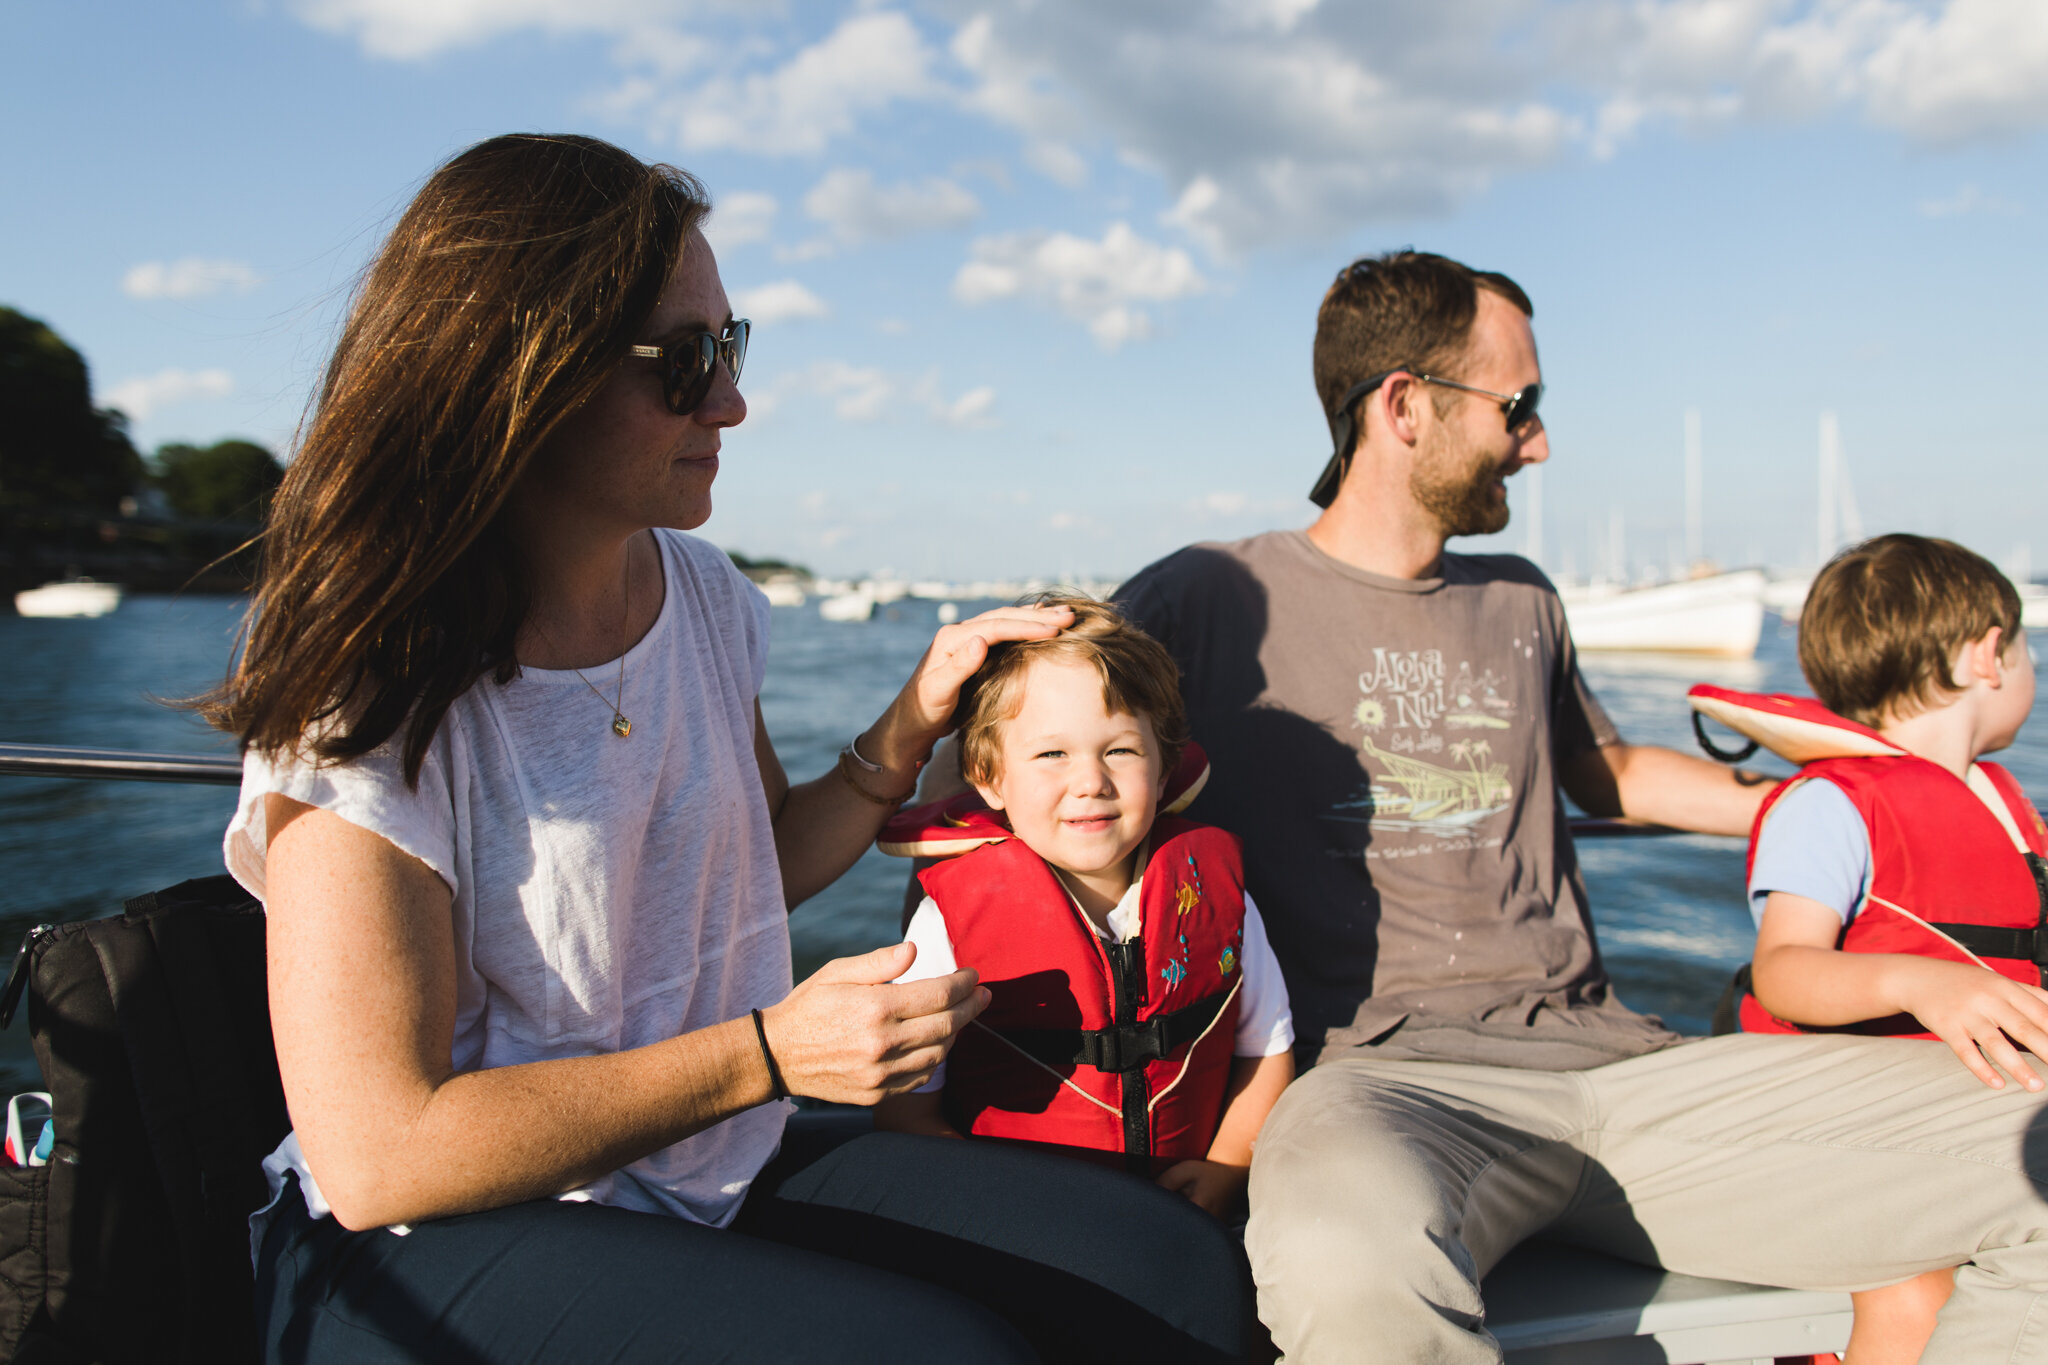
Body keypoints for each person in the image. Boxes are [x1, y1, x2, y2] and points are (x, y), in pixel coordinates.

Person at [208, 133, 1257, 1364]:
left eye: (732, 345)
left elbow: (755, 859)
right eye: (686, 361)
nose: (732, 401)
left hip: (697, 1165)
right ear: (520, 380)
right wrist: (769, 1053)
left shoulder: (701, 600)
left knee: (1169, 1267)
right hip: (409, 1244)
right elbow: (382, 1151)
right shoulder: (371, 686)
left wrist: (911, 719)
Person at [1103, 250, 2048, 1362]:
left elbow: (1605, 772)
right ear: (1403, 406)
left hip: (1631, 1078)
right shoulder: (1206, 596)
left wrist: (1846, 802)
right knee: (1342, 1259)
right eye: (1519, 406)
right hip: (1379, 1083)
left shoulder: (1521, 599)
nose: (1539, 441)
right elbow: (1028, 756)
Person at [874, 597, 1295, 1221]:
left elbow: (1266, 1050)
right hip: (1021, 1221)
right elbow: (906, 1109)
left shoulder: (1221, 895)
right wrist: (991, 1207)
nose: (1091, 781)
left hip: (1189, 1213)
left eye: (1120, 750)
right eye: (1052, 755)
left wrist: (1231, 1165)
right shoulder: (948, 925)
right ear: (990, 778)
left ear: (1164, 764)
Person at [1736, 533, 2048, 1364]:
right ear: (1989, 656)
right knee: (1914, 1293)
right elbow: (1785, 969)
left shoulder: (2000, 807)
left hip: (1978, 1126)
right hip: (1860, 1139)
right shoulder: (1833, 805)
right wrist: (1926, 985)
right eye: (2027, 653)